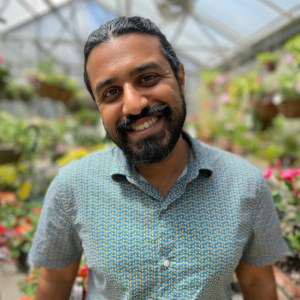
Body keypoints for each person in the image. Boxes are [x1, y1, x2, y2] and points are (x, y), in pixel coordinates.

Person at [29, 16, 287, 300]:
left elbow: (259, 286)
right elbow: (53, 287)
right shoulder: (72, 187)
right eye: (111, 93)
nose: (134, 104)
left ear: (180, 78)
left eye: (147, 78)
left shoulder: (245, 183)